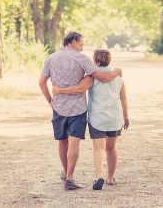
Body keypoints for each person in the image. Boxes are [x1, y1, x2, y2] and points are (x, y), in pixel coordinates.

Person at [39, 32, 122, 190]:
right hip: (77, 109)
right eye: (81, 45)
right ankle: (69, 178)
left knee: (62, 141)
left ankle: (66, 173)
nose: (82, 48)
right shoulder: (82, 59)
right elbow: (103, 77)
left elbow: (42, 82)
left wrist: (50, 100)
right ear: (74, 42)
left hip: (58, 107)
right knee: (73, 142)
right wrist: (118, 71)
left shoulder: (50, 58)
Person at [53, 49, 129, 190]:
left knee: (98, 148)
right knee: (111, 148)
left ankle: (99, 175)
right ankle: (110, 178)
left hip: (98, 119)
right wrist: (126, 116)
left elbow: (79, 89)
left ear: (95, 61)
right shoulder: (118, 77)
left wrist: (59, 91)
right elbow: (123, 97)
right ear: (109, 60)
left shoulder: (92, 77)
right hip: (115, 118)